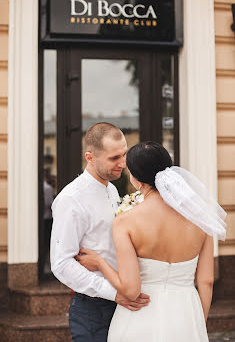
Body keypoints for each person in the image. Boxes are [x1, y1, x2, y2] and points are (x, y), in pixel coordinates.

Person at [76, 141, 227, 342]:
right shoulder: (200, 217)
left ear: (136, 178)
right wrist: (198, 323)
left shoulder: (125, 221)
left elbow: (131, 290)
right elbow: (206, 281)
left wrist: (99, 263)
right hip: (186, 315)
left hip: (140, 319)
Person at [50, 123, 150, 342]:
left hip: (121, 300)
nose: (123, 164)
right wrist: (114, 293)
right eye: (114, 158)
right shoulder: (71, 200)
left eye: (124, 154)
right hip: (94, 309)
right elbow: (61, 264)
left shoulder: (111, 189)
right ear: (90, 157)